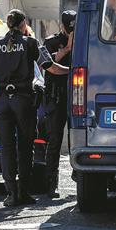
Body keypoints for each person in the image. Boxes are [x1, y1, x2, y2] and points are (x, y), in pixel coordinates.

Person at [0, 9, 41, 207]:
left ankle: (10, 193)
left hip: (1, 101)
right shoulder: (30, 43)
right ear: (23, 23)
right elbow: (47, 66)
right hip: (23, 100)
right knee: (25, 146)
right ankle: (23, 192)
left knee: (6, 147)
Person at [41, 10, 76, 198]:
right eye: (69, 27)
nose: (72, 31)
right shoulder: (51, 41)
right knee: (54, 140)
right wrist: (67, 50)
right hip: (55, 96)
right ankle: (51, 185)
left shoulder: (84, 40)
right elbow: (47, 65)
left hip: (76, 97)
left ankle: (79, 176)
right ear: (62, 26)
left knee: (76, 139)